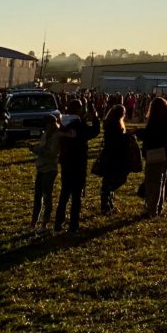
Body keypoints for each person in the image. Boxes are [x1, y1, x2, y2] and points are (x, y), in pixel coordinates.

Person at [54, 99, 100, 236]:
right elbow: (94, 131)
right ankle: (73, 225)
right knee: (76, 197)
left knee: (64, 194)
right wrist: (95, 117)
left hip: (66, 161)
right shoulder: (79, 125)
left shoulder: (61, 123)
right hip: (78, 162)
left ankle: (57, 224)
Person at [139, 96, 167, 218]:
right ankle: (159, 206)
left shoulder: (155, 122)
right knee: (163, 182)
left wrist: (137, 133)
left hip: (155, 154)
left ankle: (152, 209)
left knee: (153, 182)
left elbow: (148, 136)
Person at [97, 104, 133, 215]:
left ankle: (108, 203)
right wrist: (127, 136)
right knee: (114, 180)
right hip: (114, 156)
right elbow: (117, 139)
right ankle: (106, 204)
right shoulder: (113, 125)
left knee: (110, 180)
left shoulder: (112, 123)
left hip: (111, 155)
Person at [29, 117, 61, 232]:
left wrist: (36, 149)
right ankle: (34, 221)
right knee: (37, 196)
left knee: (47, 196)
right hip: (41, 167)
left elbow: (52, 153)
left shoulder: (57, 136)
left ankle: (44, 223)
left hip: (50, 168)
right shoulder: (45, 134)